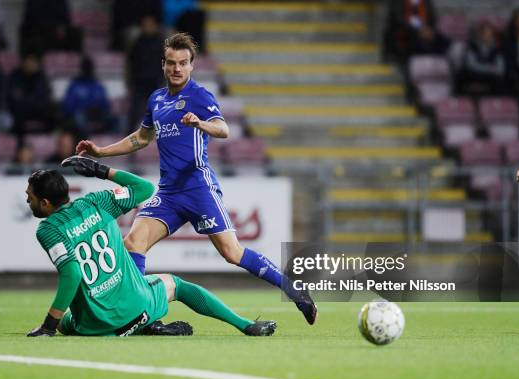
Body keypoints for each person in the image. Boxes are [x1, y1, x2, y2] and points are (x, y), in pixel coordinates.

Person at [75, 33, 317, 325]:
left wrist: (200, 123)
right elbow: (141, 138)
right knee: (133, 242)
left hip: (198, 187)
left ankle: (294, 289)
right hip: (168, 193)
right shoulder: (157, 99)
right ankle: (137, 313)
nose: (177, 68)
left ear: (192, 66)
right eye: (171, 63)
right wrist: (101, 152)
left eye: (183, 63)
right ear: (163, 65)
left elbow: (223, 130)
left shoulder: (200, 96)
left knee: (232, 252)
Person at [26, 156, 276, 337]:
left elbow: (72, 273)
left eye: (31, 197)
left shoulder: (49, 229)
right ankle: (244, 325)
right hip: (138, 308)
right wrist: (101, 170)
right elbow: (144, 188)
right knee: (176, 285)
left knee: (64, 323)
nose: (28, 200)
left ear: (46, 203)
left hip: (97, 326)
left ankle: (138, 327)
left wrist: (49, 326)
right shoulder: (97, 202)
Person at [125, 14, 165, 133]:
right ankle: (129, 140)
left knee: (159, 114)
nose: (148, 27)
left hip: (156, 83)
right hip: (139, 84)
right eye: (145, 25)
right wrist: (130, 82)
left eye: (150, 24)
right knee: (134, 113)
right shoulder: (137, 43)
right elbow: (130, 63)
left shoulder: (161, 43)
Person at [7, 52, 55, 145]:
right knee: (16, 117)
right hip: (21, 111)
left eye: (34, 62)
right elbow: (14, 99)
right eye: (29, 61)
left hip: (37, 109)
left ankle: (46, 143)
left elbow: (45, 98)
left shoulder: (41, 77)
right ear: (23, 62)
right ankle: (20, 147)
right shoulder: (15, 76)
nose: (31, 64)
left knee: (53, 114)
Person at [62, 56, 115, 137]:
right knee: (78, 117)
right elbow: (68, 107)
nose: (88, 70)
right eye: (86, 68)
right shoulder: (75, 84)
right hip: (82, 115)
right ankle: (84, 139)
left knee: (117, 120)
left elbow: (106, 106)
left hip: (97, 115)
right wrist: (84, 108)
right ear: (81, 69)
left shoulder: (97, 85)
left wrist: (98, 109)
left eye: (89, 68)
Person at [459, 21, 505, 96]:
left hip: (489, 76)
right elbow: (471, 65)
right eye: (484, 33)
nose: (486, 35)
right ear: (479, 34)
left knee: (499, 79)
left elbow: (500, 69)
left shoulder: (497, 48)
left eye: (489, 33)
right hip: (475, 74)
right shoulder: (472, 46)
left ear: (492, 35)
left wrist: (487, 69)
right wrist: (490, 68)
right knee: (462, 74)